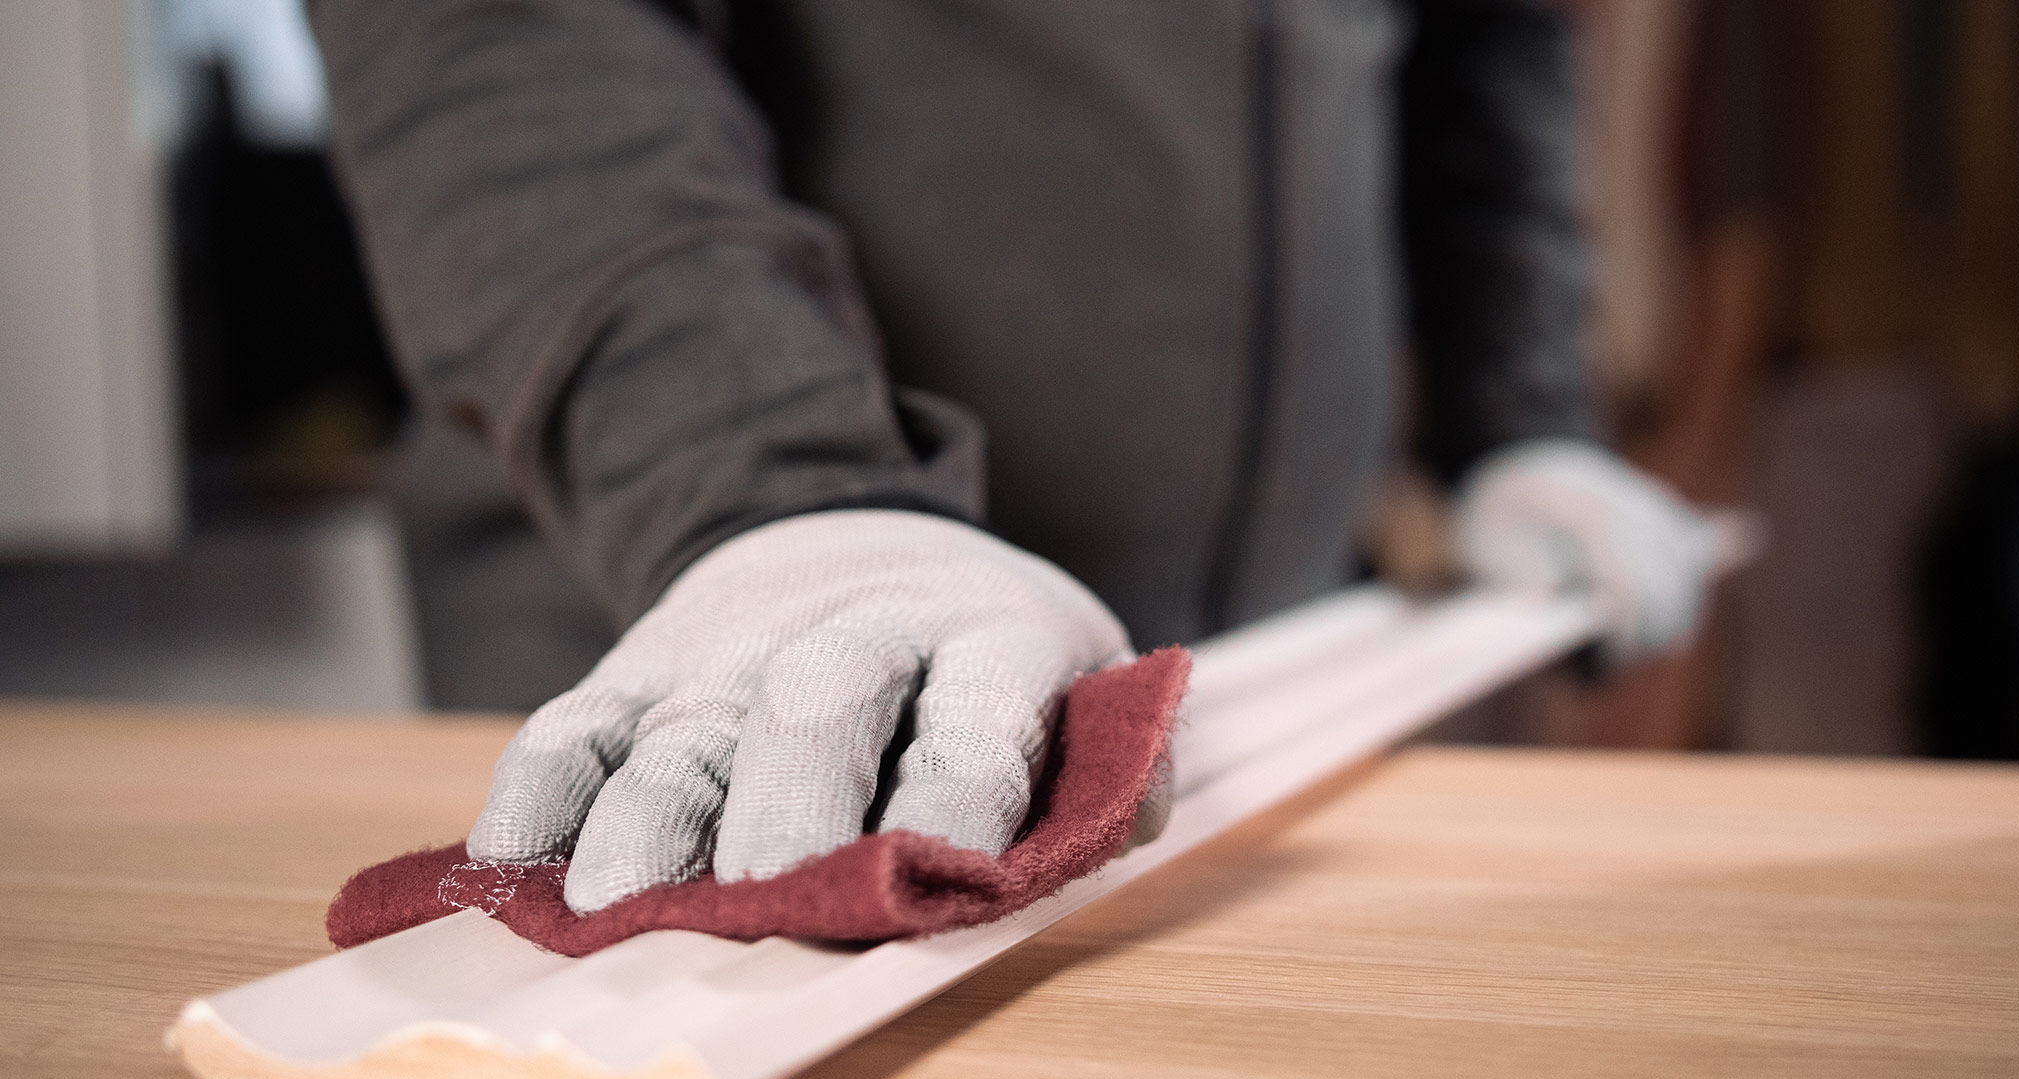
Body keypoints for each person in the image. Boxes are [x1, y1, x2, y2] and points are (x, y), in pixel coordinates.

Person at [306, 0, 1714, 914]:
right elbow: (507, 41)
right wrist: (779, 488)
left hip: (1255, 699)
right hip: (728, 627)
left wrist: (1521, 412)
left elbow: (1490, 42)